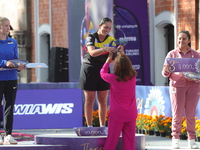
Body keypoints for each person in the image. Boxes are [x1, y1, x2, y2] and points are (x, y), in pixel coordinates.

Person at [79, 17, 122, 127]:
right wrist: (104, 49)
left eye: (109, 28)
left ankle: (103, 127)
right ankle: (89, 126)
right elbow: (92, 53)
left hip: (103, 70)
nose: (107, 30)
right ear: (99, 26)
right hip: (89, 69)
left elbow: (113, 59)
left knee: (103, 100)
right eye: (105, 27)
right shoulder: (91, 36)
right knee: (89, 100)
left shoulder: (111, 40)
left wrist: (120, 52)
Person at [162, 30, 200, 149]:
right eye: (179, 39)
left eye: (184, 38)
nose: (181, 41)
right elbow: (164, 73)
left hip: (193, 86)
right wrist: (167, 70)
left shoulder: (195, 54)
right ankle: (176, 139)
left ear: (189, 40)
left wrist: (196, 77)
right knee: (177, 113)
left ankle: (191, 140)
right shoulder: (172, 54)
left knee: (190, 114)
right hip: (177, 86)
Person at [100, 52, 137, 150]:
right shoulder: (133, 77)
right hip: (131, 113)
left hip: (117, 114)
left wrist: (107, 61)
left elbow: (102, 73)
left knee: (111, 141)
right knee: (129, 142)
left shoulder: (113, 78)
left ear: (117, 66)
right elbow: (126, 64)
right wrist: (122, 54)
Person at [0, 17, 25, 144]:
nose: (8, 28)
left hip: (12, 78)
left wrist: (19, 66)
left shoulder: (13, 42)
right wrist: (5, 62)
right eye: (5, 26)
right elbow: (6, 62)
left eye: (9, 26)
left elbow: (15, 59)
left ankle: (8, 135)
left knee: (9, 107)